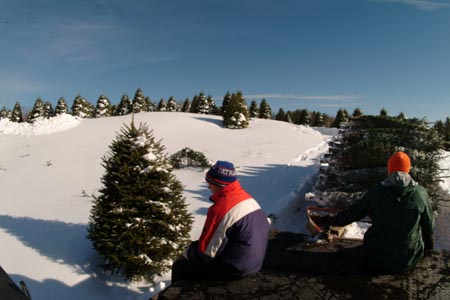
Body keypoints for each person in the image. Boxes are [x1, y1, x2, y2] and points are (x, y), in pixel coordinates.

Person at [325, 151, 435, 274]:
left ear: (389, 170)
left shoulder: (377, 192)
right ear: (408, 169)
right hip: (408, 260)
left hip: (375, 258)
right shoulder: (420, 193)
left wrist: (331, 220)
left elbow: (353, 213)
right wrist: (429, 247)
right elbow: (429, 226)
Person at [171, 160, 270, 282]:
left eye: (210, 183)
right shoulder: (247, 198)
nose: (208, 187)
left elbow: (208, 254)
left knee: (180, 267)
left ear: (219, 184)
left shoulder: (222, 208)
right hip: (255, 262)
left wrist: (188, 253)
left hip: (236, 268)